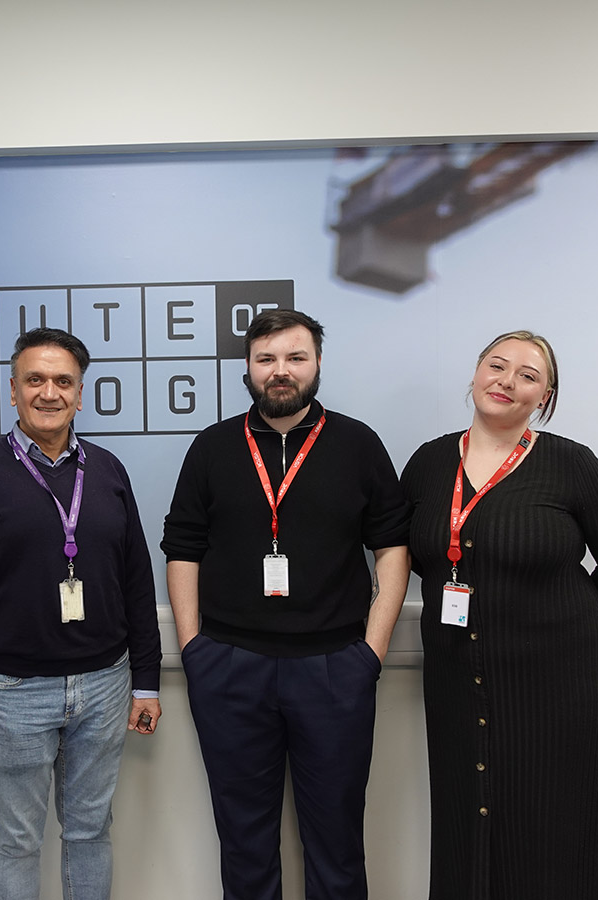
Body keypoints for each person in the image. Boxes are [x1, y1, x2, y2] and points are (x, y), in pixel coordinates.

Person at [161, 308, 411, 900]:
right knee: (244, 845)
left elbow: (392, 550)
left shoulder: (358, 443)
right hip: (229, 666)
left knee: (337, 843)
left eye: (295, 358)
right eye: (266, 359)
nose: (281, 371)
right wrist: (196, 650)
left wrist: (369, 654)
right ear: (247, 370)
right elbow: (183, 550)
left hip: (334, 668)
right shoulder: (213, 447)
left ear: (317, 364)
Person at [401, 330, 598, 900]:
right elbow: (415, 556)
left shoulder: (572, 465)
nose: (506, 382)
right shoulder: (430, 462)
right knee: (472, 818)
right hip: (458, 677)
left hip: (564, 682)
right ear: (476, 374)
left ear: (545, 396)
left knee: (561, 825)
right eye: (497, 365)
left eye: (527, 376)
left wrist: (548, 615)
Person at [0, 327, 161, 900]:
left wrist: (148, 679)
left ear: (81, 394)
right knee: (16, 840)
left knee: (90, 831)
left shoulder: (107, 471)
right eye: (35, 379)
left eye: (64, 381)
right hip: (11, 693)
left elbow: (136, 578)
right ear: (13, 391)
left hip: (105, 684)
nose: (49, 392)